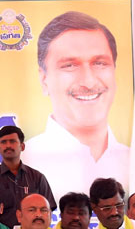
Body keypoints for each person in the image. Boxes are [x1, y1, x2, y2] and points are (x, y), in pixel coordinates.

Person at [24, 11, 128, 198]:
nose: (88, 82)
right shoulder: (25, 163)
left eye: (99, 63)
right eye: (70, 65)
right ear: (44, 79)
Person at [0, 125, 56, 229]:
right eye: (4, 142)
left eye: (12, 141)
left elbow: (48, 210)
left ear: (22, 146)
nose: (8, 145)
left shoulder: (37, 178)